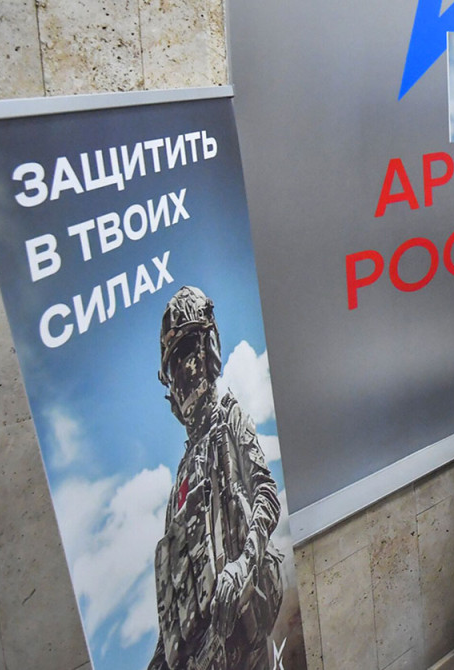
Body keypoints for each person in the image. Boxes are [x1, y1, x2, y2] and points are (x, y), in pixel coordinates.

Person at [150, 286, 285, 670]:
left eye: (188, 353)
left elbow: (266, 495)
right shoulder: (180, 482)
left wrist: (244, 564)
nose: (183, 371)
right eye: (174, 362)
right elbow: (176, 589)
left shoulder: (230, 419)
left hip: (245, 631)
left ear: (208, 351)